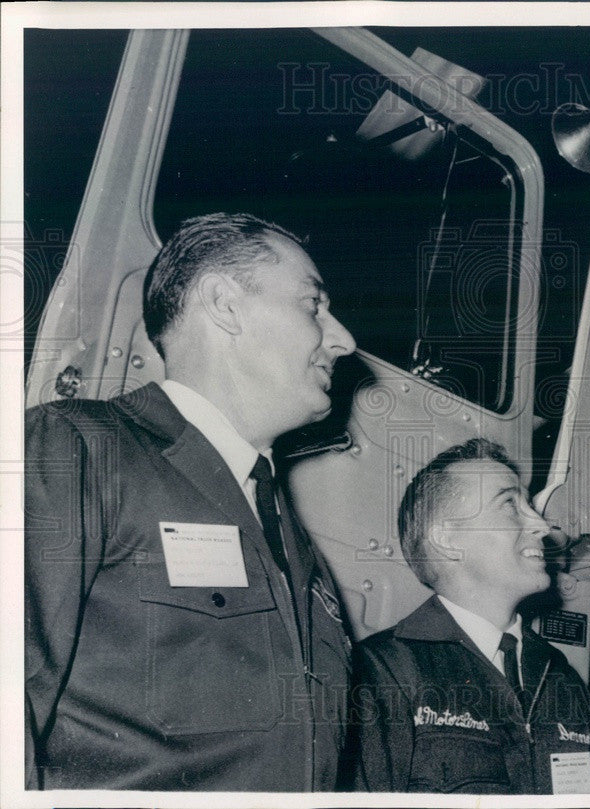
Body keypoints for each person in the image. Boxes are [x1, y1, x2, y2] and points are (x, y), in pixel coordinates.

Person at [24, 213, 357, 790]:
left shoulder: (291, 537)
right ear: (224, 304)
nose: (344, 340)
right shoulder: (76, 447)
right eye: (312, 305)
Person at [353, 438, 590, 794]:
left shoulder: (561, 677)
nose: (542, 525)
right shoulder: (383, 672)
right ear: (448, 539)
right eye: (509, 504)